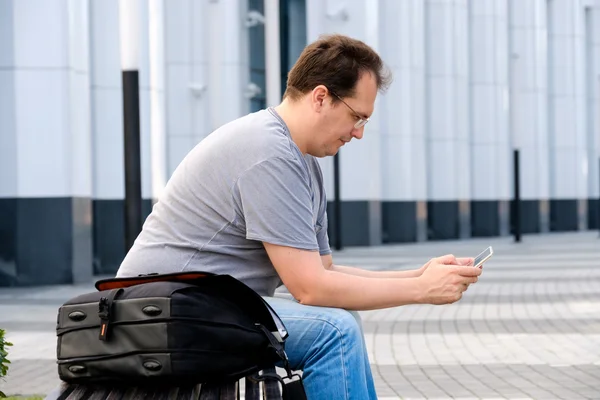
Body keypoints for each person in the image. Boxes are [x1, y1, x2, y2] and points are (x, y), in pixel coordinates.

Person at [116, 33, 482, 399]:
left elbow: (322, 273)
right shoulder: (269, 152)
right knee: (333, 331)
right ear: (321, 97)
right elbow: (309, 290)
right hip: (160, 311)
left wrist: (418, 274)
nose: (358, 133)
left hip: (194, 304)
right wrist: (421, 290)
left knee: (342, 320)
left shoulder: (301, 159)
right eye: (356, 116)